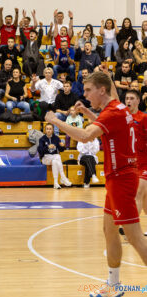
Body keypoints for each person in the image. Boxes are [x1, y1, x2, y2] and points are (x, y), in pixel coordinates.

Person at [45, 70, 147, 297]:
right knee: (109, 230)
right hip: (117, 176)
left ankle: (114, 284)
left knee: (134, 236)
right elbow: (106, 126)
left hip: (122, 178)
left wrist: (55, 121)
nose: (86, 94)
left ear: (102, 90)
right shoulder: (118, 108)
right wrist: (87, 111)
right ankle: (113, 284)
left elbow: (84, 136)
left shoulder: (112, 112)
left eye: (89, 90)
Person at [124, 89, 147, 228]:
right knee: (144, 200)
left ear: (138, 101)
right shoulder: (123, 118)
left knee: (138, 194)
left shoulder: (143, 118)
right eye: (127, 98)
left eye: (132, 98)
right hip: (130, 165)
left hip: (145, 163)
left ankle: (131, 229)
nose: (129, 101)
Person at [37, 123, 71, 189]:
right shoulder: (42, 139)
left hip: (54, 158)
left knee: (55, 161)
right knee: (57, 157)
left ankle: (55, 183)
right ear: (45, 130)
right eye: (47, 129)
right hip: (45, 158)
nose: (48, 130)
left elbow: (61, 150)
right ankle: (63, 177)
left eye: (50, 129)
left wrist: (62, 146)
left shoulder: (56, 138)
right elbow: (40, 151)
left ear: (52, 130)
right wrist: (47, 147)